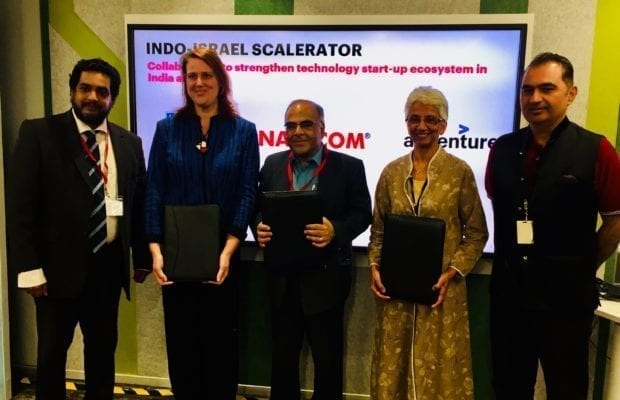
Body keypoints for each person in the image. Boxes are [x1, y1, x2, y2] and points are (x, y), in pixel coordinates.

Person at [6, 58, 151, 400]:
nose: (92, 97)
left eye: (102, 91)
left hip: (108, 268)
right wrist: (29, 269)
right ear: (72, 91)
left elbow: (138, 202)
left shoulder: (129, 143)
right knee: (52, 356)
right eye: (85, 88)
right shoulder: (40, 133)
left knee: (102, 353)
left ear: (112, 98)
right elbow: (20, 207)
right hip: (55, 273)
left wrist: (142, 257)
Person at [485, 52, 620, 399]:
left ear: (570, 93)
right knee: (508, 388)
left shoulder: (596, 150)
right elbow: (499, 205)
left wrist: (581, 264)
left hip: (566, 301)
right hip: (509, 297)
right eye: (527, 90)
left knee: (567, 389)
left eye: (547, 89)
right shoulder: (502, 149)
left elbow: (616, 222)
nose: (534, 98)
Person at [144, 47, 259, 399]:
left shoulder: (243, 132)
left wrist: (228, 250)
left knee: (220, 346)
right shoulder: (167, 130)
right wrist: (155, 250)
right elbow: (154, 190)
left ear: (220, 81)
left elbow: (246, 193)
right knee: (183, 347)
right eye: (192, 75)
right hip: (176, 255)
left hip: (224, 255)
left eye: (206, 75)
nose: (199, 82)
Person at [368, 86, 488, 400]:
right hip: (395, 293)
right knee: (393, 368)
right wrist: (375, 268)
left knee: (440, 371)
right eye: (414, 119)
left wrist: (453, 272)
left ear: (443, 125)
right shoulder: (391, 172)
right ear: (407, 123)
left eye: (430, 120)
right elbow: (378, 231)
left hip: (441, 292)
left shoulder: (459, 172)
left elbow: (477, 233)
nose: (422, 126)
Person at [255, 99, 372, 400]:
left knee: (327, 362)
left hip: (326, 280)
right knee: (283, 361)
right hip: (282, 281)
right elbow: (257, 206)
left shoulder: (349, 167)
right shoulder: (272, 164)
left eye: (306, 124)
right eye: (291, 126)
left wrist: (336, 230)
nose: (298, 131)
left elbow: (362, 214)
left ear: (322, 128)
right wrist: (258, 226)